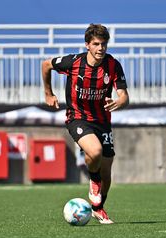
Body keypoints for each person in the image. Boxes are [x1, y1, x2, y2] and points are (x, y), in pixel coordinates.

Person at [41, 23, 129, 224]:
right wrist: (48, 93)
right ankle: (93, 180)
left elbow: (124, 96)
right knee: (95, 152)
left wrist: (120, 102)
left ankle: (98, 208)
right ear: (87, 45)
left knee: (107, 173)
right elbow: (46, 65)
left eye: (104, 44)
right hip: (77, 117)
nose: (101, 48)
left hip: (103, 122)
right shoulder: (73, 62)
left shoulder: (113, 65)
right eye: (96, 44)